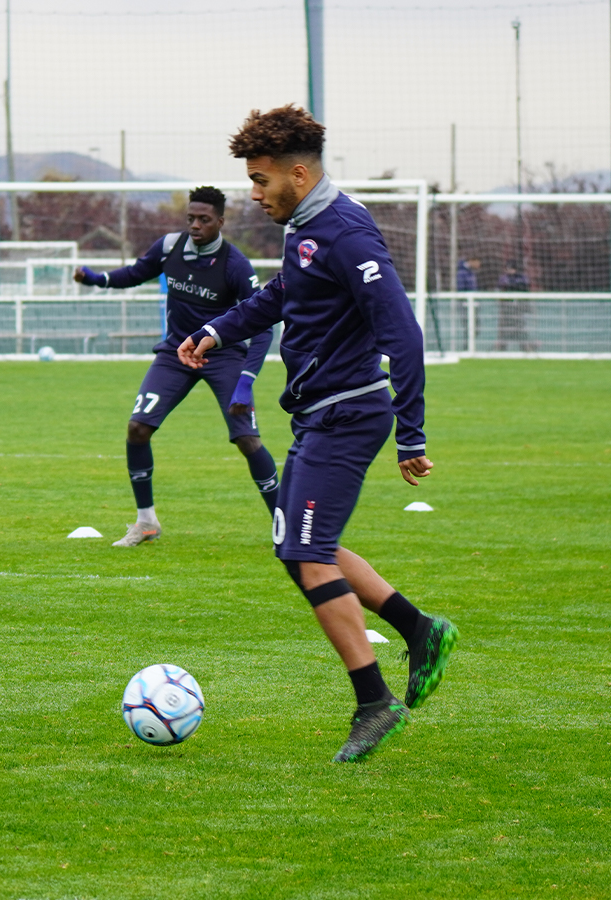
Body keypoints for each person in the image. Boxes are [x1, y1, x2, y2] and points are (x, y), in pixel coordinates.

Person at [178, 106, 458, 762]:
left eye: (260, 179)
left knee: (306, 551)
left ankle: (375, 702)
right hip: (317, 413)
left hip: (347, 414)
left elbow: (403, 332)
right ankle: (420, 630)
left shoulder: (346, 233)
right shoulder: (305, 227)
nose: (253, 193)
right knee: (299, 545)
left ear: (298, 175)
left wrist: (412, 435)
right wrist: (217, 330)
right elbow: (284, 295)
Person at [73, 186, 280, 547]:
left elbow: (263, 325)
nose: (195, 225)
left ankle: (285, 525)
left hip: (223, 356)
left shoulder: (235, 264)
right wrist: (95, 279)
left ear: (220, 221)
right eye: (191, 218)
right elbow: (135, 273)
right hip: (175, 353)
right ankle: (146, 522)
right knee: (137, 428)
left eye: (204, 219)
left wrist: (246, 382)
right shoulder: (170, 247)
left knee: (247, 439)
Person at [495, 260, 533, 351]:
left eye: (511, 268)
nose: (510, 270)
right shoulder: (503, 278)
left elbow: (526, 289)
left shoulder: (522, 278)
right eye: (508, 268)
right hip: (506, 310)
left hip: (518, 310)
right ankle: (501, 349)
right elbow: (499, 290)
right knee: (503, 330)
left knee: (520, 330)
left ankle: (526, 348)